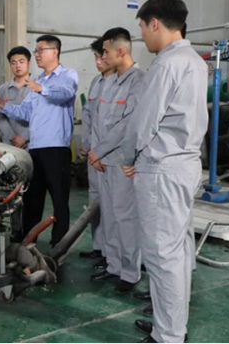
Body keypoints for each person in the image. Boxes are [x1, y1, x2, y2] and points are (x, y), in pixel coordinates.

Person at [120, 0, 208, 343]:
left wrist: (128, 157)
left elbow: (144, 121)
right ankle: (170, 325)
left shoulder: (167, 63)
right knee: (179, 251)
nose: (143, 36)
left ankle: (169, 335)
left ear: (154, 23)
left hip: (162, 168)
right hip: (185, 165)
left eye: (142, 27)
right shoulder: (195, 61)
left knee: (161, 255)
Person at [0, 35, 78, 246]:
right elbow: (26, 112)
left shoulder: (67, 76)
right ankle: (28, 245)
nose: (36, 54)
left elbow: (66, 93)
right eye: (36, 51)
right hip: (35, 151)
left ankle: (59, 247)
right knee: (32, 200)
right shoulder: (39, 81)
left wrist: (41, 89)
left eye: (40, 50)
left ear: (54, 52)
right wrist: (3, 106)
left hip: (56, 149)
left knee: (59, 201)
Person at [87, 28, 144, 294]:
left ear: (120, 51)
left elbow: (128, 125)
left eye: (106, 51)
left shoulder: (139, 81)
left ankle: (130, 272)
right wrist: (96, 153)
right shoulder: (109, 83)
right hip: (104, 160)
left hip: (122, 161)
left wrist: (99, 151)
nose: (103, 56)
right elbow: (99, 121)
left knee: (125, 218)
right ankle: (113, 265)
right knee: (109, 216)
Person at [78, 37, 115, 262]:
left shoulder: (120, 83)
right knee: (94, 202)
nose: (98, 61)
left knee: (112, 207)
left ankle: (112, 254)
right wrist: (86, 142)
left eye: (102, 56)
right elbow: (88, 114)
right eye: (96, 57)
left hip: (109, 156)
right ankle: (99, 247)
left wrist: (101, 151)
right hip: (93, 154)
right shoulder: (95, 82)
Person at [0, 46, 31, 149]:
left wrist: (25, 136)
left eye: (21, 62)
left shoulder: (36, 87)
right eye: (13, 63)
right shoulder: (3, 89)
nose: (17, 66)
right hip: (9, 143)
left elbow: (40, 117)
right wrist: (12, 137)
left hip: (32, 142)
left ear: (29, 63)